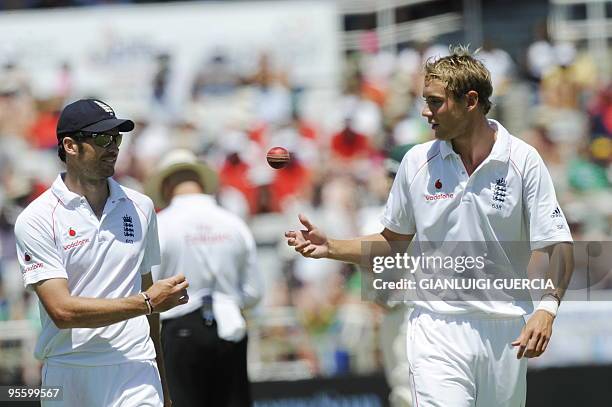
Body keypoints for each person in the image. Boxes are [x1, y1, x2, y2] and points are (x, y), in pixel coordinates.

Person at [285, 46, 574, 407]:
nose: (425, 112)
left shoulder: (523, 160)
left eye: (435, 102)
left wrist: (547, 309)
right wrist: (332, 247)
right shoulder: (415, 162)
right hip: (435, 329)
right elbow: (393, 243)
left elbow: (559, 244)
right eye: (424, 101)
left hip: (505, 330)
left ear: (470, 101)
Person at [14, 98, 189, 407]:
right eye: (101, 138)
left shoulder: (141, 207)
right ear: (70, 145)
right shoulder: (37, 218)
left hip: (135, 366)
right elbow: (62, 311)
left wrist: (163, 382)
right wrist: (147, 303)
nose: (113, 147)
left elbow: (148, 298)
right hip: (69, 371)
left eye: (117, 137)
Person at [146, 149, 263, 407]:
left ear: (166, 185)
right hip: (229, 326)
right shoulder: (233, 224)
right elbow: (254, 292)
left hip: (179, 329)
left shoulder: (161, 225)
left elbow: (149, 291)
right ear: (199, 180)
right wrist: (227, 301)